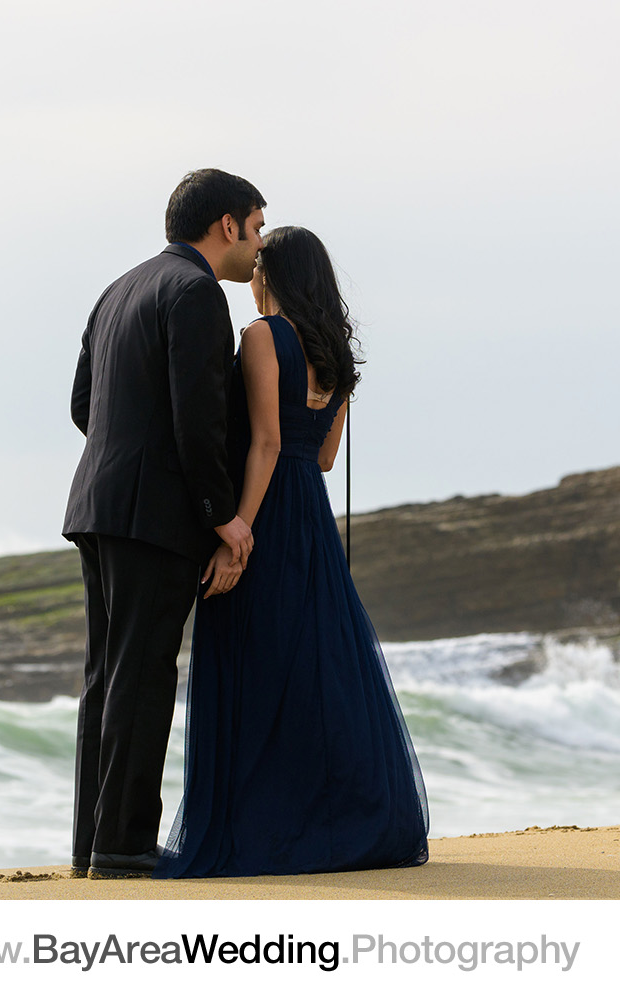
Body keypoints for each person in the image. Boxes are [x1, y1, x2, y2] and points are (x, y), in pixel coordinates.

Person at [154, 227, 429, 878]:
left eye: (257, 267)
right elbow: (324, 456)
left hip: (269, 511)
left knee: (252, 662)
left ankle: (258, 825)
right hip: (312, 515)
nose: (250, 275)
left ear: (269, 277)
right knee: (315, 669)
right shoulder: (339, 357)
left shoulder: (259, 337)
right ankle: (337, 819)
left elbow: (266, 444)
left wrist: (237, 533)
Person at [62, 168, 264, 879]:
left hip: (96, 506)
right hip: (155, 518)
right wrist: (222, 518)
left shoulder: (118, 289)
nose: (259, 243)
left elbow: (84, 406)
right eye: (257, 225)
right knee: (144, 676)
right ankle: (122, 850)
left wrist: (126, 455)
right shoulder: (196, 293)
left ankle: (93, 844)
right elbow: (199, 420)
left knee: (105, 678)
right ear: (226, 225)